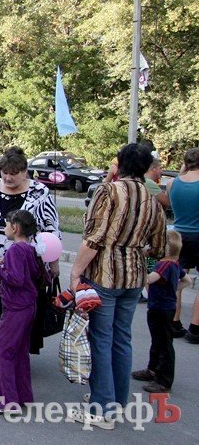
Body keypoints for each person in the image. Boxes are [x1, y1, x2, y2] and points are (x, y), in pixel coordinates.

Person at [67, 143, 166, 429]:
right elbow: (158, 246)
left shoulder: (108, 191)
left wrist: (76, 273)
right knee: (121, 339)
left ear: (119, 163)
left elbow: (93, 237)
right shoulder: (151, 197)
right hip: (134, 279)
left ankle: (101, 409)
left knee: (101, 339)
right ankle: (116, 401)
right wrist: (132, 249)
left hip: (105, 276)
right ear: (147, 168)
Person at [0, 147, 60, 368]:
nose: (8, 177)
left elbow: (52, 229)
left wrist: (54, 263)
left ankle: (17, 354)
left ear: (25, 171)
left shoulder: (40, 193)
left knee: (20, 313)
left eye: (13, 173)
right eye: (4, 172)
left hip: (24, 267)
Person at [0, 210, 43, 414]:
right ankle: (23, 395)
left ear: (15, 227)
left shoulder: (14, 251)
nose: (4, 228)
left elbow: (16, 279)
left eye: (6, 224)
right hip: (28, 305)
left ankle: (8, 401)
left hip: (15, 307)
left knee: (4, 352)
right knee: (19, 352)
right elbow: (33, 274)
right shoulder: (29, 249)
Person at [132, 230, 189, 393]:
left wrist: (141, 262)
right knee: (158, 340)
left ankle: (164, 380)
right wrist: (173, 289)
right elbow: (187, 280)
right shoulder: (175, 265)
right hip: (165, 307)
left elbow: (149, 279)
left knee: (163, 343)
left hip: (160, 309)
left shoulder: (163, 265)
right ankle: (153, 369)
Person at [167, 148, 199, 342]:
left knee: (177, 279)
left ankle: (174, 322)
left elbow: (171, 204)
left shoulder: (172, 183)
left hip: (179, 234)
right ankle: (195, 327)